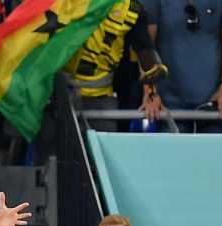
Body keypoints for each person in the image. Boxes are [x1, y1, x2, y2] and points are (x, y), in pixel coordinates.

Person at [64, 0, 167, 131]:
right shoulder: (60, 4)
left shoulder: (132, 10)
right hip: (57, 95)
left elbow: (145, 52)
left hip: (101, 98)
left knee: (100, 149)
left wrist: (151, 93)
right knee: (56, 150)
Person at [143, 0, 222, 132]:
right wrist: (150, 92)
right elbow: (145, 48)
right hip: (169, 107)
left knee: (211, 152)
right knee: (173, 152)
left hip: (212, 106)